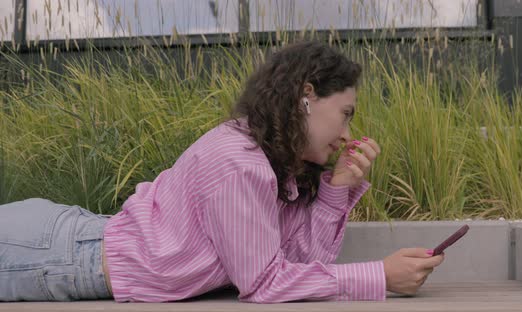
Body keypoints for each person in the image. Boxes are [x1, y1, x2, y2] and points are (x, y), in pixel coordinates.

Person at [0, 40, 444, 303]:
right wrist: (379, 277)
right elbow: (266, 284)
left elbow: (305, 268)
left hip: (73, 246)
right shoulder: (240, 161)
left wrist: (338, 187)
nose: (349, 132)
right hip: (58, 254)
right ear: (306, 96)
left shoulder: (276, 165)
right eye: (345, 113)